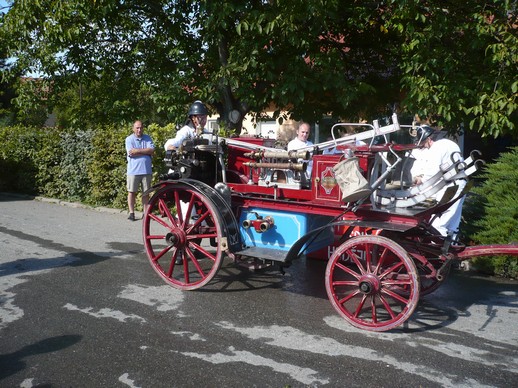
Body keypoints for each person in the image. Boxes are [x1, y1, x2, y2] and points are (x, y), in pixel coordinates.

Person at [411, 126, 466, 238]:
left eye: (422, 142)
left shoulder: (436, 148)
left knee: (437, 224)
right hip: (460, 183)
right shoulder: (448, 143)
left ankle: (438, 252)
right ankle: (451, 248)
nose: (421, 145)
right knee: (452, 225)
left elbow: (433, 172)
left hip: (451, 186)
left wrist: (420, 180)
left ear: (428, 139)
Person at [125, 120, 155, 221]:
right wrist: (146, 152)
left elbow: (151, 150)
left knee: (146, 193)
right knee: (131, 192)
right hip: (133, 171)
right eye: (137, 128)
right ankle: (131, 213)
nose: (139, 130)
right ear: (133, 129)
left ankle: (145, 213)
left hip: (146, 170)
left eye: (141, 127)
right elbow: (131, 153)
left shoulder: (147, 138)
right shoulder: (129, 139)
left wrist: (137, 150)